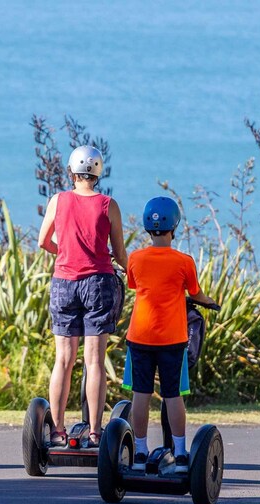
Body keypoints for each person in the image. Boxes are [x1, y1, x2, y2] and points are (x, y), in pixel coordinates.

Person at [38, 146, 128, 448]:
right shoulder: (108, 204)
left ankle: (58, 429)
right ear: (98, 172)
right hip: (99, 283)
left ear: (71, 172)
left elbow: (43, 241)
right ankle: (93, 430)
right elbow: (119, 252)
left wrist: (63, 252)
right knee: (94, 361)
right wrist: (129, 270)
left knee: (63, 359)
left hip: (64, 281)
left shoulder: (58, 200)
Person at [123, 196, 218, 473]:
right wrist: (209, 302)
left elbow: (133, 284)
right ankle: (180, 454)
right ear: (174, 226)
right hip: (172, 339)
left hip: (140, 337)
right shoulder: (184, 261)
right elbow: (195, 293)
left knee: (140, 395)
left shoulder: (136, 258)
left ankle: (140, 453)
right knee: (172, 395)